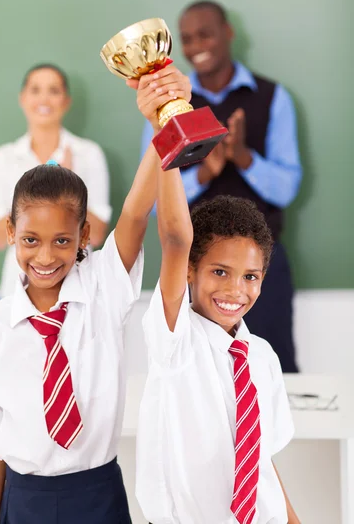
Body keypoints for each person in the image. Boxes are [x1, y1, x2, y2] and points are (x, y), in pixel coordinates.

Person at [0, 65, 191, 524]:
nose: (45, 256)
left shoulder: (103, 289)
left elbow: (136, 213)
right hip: (23, 500)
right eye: (30, 240)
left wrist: (160, 120)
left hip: (96, 493)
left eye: (62, 240)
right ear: (10, 232)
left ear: (84, 235)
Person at [135, 85, 299, 523]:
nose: (235, 290)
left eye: (250, 277)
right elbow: (174, 237)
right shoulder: (176, 342)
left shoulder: (261, 358)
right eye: (219, 272)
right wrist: (164, 131)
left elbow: (259, 460)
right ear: (190, 270)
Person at [140, 0, 302, 373]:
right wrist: (204, 172)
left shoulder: (272, 98)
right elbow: (149, 198)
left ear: (228, 33)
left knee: (271, 366)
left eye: (206, 33)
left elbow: (287, 187)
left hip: (259, 268)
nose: (197, 45)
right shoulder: (167, 105)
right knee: (193, 371)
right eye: (187, 38)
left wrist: (244, 157)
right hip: (194, 267)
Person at [0, 63, 112, 298]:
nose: (44, 98)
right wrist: (40, 192)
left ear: (66, 101)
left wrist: (69, 184)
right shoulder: (3, 158)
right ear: (23, 98)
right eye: (35, 90)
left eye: (54, 91)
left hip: (78, 288)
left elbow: (97, 233)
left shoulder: (88, 154)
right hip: (17, 290)